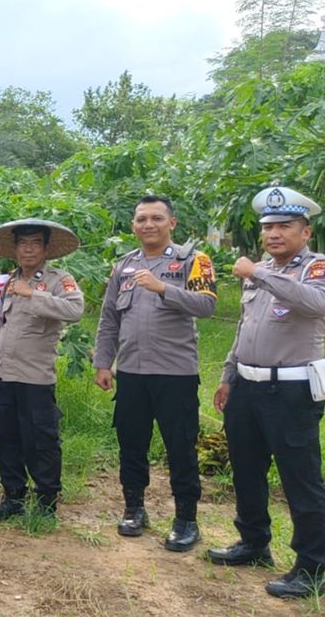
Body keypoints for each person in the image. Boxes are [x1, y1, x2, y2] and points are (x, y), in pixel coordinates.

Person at [207, 186, 325, 598]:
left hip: (292, 390)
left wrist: (258, 273)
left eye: (284, 226)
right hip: (247, 386)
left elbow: (316, 305)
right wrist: (227, 375)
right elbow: (245, 327)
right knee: (246, 469)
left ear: (305, 231)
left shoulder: (315, 268)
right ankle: (253, 542)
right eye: (268, 227)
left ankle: (313, 566)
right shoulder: (256, 270)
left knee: (301, 479)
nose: (274, 234)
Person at [93, 195, 217, 552]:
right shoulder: (124, 267)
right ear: (133, 225)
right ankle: (134, 508)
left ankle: (186, 519)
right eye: (142, 219)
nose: (148, 225)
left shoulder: (193, 260)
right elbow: (109, 319)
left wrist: (164, 288)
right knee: (131, 444)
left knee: (180, 447)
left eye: (156, 218)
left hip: (174, 374)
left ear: (172, 223)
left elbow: (207, 305)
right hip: (131, 372)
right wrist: (104, 362)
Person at [0, 219, 84, 520]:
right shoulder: (10, 281)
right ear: (15, 248)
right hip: (5, 374)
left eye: (35, 242)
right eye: (22, 243)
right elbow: (2, 324)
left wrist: (31, 294)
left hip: (35, 376)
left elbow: (75, 310)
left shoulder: (59, 280)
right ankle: (12, 498)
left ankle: (46, 501)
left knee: (41, 440)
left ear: (46, 248)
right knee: (6, 437)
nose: (28, 249)